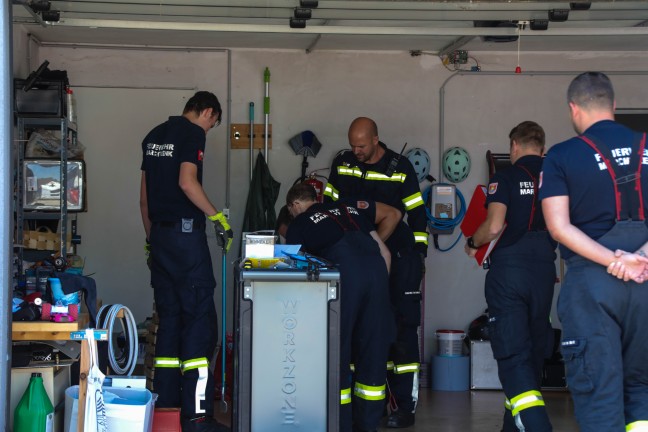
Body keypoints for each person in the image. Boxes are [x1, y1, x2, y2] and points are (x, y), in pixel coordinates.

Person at [539, 72, 648, 432]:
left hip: (593, 288)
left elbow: (559, 227)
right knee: (643, 391)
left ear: (573, 108)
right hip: (646, 282)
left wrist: (616, 261)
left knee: (599, 393)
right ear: (613, 106)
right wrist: (641, 258)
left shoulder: (561, 156)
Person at [324, 117, 428, 428]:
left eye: (362, 145)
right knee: (359, 330)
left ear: (376, 140)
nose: (355, 150)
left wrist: (419, 256)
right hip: (356, 261)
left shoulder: (400, 167)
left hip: (398, 259)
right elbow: (326, 207)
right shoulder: (342, 162)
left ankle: (404, 407)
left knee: (401, 332)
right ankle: (369, 404)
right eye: (352, 144)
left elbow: (418, 213)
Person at [140, 91, 233, 432]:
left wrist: (152, 242)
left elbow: (144, 200)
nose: (209, 129)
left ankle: (166, 411)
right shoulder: (192, 133)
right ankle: (196, 418)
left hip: (161, 239)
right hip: (185, 237)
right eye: (213, 122)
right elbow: (187, 181)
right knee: (198, 322)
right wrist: (217, 219)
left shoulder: (153, 136)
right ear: (207, 111)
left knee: (170, 320)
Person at [464, 121, 557, 432]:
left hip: (510, 273)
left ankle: (537, 425)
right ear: (542, 148)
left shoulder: (504, 176)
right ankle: (512, 427)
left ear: (514, 146)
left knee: (513, 352)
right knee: (532, 351)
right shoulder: (557, 177)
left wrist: (472, 243)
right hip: (545, 270)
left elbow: (493, 226)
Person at [285, 182, 394, 432]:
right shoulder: (349, 210)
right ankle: (368, 425)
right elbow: (385, 253)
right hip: (377, 275)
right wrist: (377, 294)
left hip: (346, 276)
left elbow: (290, 268)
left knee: (337, 351)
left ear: (295, 205)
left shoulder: (300, 222)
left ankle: (339, 424)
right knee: (372, 353)